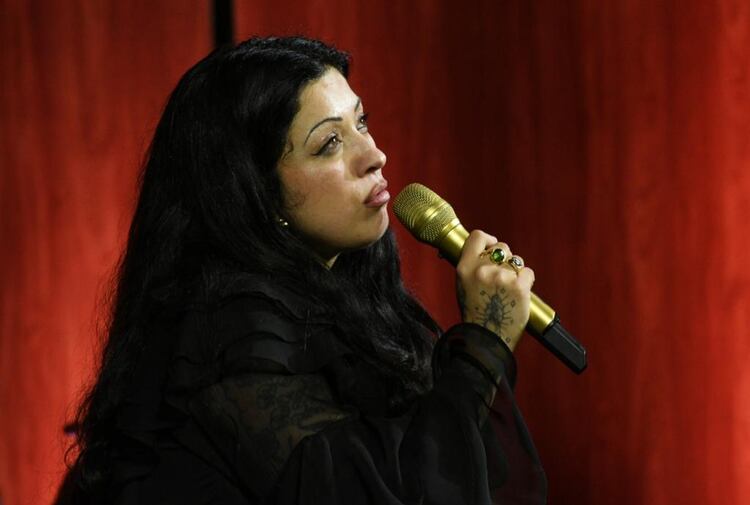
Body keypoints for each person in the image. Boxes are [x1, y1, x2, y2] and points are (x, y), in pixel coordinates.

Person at [62, 36, 547, 504]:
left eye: (362, 122)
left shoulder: (349, 297)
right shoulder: (233, 333)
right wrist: (485, 340)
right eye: (330, 142)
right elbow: (380, 493)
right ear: (256, 192)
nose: (374, 156)